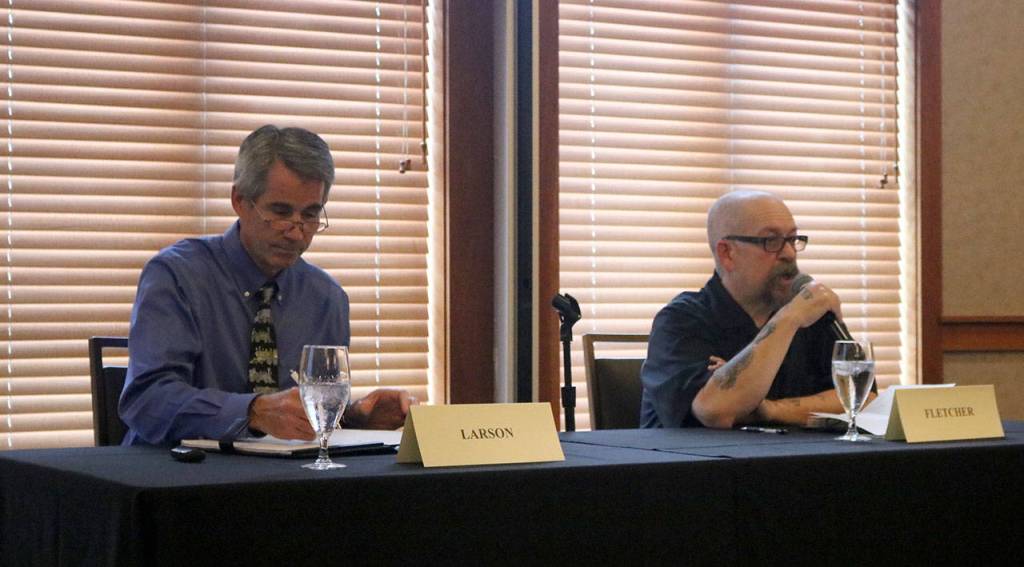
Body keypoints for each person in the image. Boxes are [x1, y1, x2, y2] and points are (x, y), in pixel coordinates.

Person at [119, 125, 414, 445]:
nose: (296, 232)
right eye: (280, 212)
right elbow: (147, 400)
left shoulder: (326, 298)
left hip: (279, 485)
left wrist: (356, 415)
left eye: (311, 215)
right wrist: (253, 412)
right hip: (175, 478)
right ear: (240, 201)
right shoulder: (177, 276)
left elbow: (309, 421)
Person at [640, 190, 854, 429]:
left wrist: (769, 409)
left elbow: (860, 398)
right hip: (697, 463)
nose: (789, 253)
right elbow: (715, 410)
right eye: (771, 241)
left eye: (792, 239)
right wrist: (790, 317)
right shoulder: (681, 319)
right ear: (727, 253)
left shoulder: (812, 316)